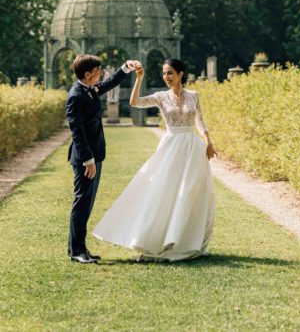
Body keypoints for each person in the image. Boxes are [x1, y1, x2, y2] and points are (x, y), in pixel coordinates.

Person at [92, 58, 216, 261]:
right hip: (171, 147)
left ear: (181, 74)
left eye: (170, 73)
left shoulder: (194, 96)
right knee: (167, 192)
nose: (166, 77)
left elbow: (200, 122)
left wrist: (209, 142)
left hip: (193, 149)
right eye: (164, 73)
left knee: (191, 193)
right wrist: (138, 79)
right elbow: (135, 102)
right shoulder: (160, 97)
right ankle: (162, 238)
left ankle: (186, 240)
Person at [65, 54, 142, 264]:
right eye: (98, 71)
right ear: (88, 74)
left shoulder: (90, 89)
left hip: (95, 155)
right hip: (85, 160)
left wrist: (126, 67)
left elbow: (111, 82)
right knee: (81, 203)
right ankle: (76, 251)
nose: (101, 74)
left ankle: (81, 248)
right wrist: (88, 160)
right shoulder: (75, 96)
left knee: (87, 204)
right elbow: (77, 132)